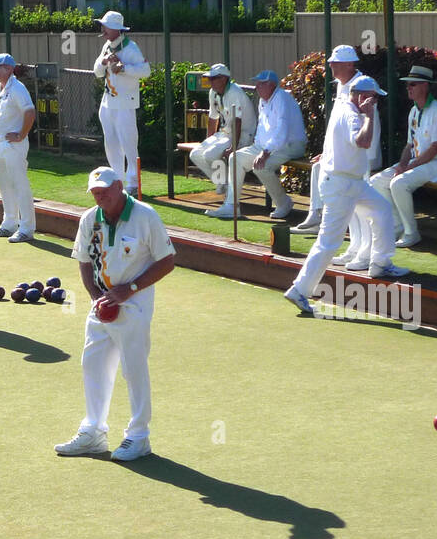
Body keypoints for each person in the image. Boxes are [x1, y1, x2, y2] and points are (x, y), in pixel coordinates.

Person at [55, 167, 175, 461]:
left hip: (134, 305)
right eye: (95, 192)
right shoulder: (89, 219)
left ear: (120, 186)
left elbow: (168, 261)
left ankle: (138, 436)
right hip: (101, 305)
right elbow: (83, 260)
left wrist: (129, 289)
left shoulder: (145, 216)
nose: (100, 197)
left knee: (133, 370)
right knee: (92, 364)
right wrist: (96, 297)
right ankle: (93, 432)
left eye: (105, 191)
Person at [284, 76, 408, 316]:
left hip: (351, 182)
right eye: (373, 99)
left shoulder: (341, 105)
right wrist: (369, 115)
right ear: (362, 97)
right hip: (342, 186)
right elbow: (363, 141)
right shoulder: (353, 115)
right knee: (329, 242)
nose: (376, 104)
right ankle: (299, 289)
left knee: (381, 209)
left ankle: (380, 262)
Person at [369, 65, 437, 249]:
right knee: (377, 181)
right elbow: (409, 144)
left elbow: (435, 148)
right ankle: (398, 226)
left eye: (412, 85)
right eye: (407, 85)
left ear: (425, 86)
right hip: (418, 164)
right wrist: (401, 165)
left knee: (399, 183)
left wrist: (408, 168)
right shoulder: (414, 111)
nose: (408, 88)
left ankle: (411, 232)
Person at [294, 46, 374, 235]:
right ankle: (316, 215)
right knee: (318, 168)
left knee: (360, 208)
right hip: (342, 155)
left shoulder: (361, 85)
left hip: (358, 156)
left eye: (335, 63)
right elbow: (338, 126)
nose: (331, 66)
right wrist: (328, 151)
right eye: (331, 63)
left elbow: (362, 126)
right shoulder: (341, 84)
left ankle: (365, 250)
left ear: (349, 64)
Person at [226, 70, 308, 220]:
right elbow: (263, 128)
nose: (257, 87)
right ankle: (232, 205)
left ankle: (283, 203)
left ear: (271, 85)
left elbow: (281, 131)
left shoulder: (282, 98)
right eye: (256, 84)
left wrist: (265, 153)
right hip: (266, 147)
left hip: (291, 145)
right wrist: (259, 148)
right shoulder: (263, 101)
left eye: (261, 84)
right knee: (235, 158)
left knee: (261, 166)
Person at [92, 10, 151, 195]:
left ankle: (133, 183)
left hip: (125, 103)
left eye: (106, 26)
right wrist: (104, 61)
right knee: (111, 143)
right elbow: (97, 71)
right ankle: (117, 180)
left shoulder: (130, 48)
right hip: (108, 102)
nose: (103, 29)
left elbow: (146, 70)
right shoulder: (107, 46)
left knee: (128, 143)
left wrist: (124, 68)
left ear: (117, 29)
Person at [189, 64, 257, 217]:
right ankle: (223, 183)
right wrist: (209, 140)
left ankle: (225, 185)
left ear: (224, 79)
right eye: (210, 78)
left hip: (244, 134)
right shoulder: (213, 92)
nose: (211, 81)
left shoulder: (234, 93)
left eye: (214, 78)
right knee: (195, 154)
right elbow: (213, 118)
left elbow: (238, 122)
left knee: (210, 155)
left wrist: (234, 146)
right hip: (225, 132)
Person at [0, 53, 37, 243]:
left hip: (14, 145)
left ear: (8, 69)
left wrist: (21, 135)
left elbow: (29, 112)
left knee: (19, 184)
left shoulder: (18, 88)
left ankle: (26, 228)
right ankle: (9, 223)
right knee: (4, 183)